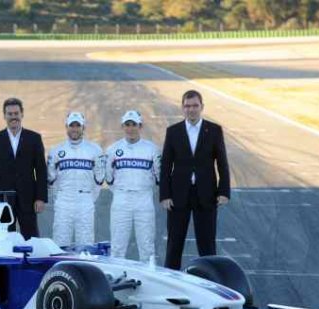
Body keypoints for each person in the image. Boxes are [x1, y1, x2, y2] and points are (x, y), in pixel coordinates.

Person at [160, 90, 230, 270]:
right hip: (178, 195)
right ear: (182, 108)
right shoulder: (173, 131)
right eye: (187, 106)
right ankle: (171, 280)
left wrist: (224, 191)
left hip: (206, 194)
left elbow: (222, 162)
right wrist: (165, 195)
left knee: (207, 245)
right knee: (174, 243)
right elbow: (166, 165)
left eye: (195, 106)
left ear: (202, 107)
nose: (191, 110)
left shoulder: (214, 130)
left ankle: (211, 282)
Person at [0, 97, 47, 240]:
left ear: (22, 114)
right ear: (4, 116)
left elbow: (41, 170)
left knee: (31, 238)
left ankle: (31, 261)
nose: (13, 117)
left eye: (16, 113)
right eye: (10, 114)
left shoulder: (34, 138)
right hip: (3, 198)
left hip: (28, 198)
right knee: (3, 237)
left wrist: (40, 198)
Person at [105, 110, 161, 261]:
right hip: (121, 199)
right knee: (117, 246)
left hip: (144, 199)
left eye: (134, 124)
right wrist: (121, 192)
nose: (130, 128)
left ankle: (149, 281)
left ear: (140, 126)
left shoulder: (152, 149)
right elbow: (109, 178)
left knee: (147, 246)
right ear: (123, 126)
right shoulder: (112, 150)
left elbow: (158, 177)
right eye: (127, 125)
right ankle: (117, 279)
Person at [47, 112, 104, 247]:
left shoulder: (95, 150)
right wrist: (61, 197)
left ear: (83, 127)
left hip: (85, 201)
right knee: (60, 243)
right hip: (63, 201)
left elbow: (99, 180)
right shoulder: (56, 150)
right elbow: (50, 180)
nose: (74, 129)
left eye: (78, 125)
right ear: (67, 127)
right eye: (71, 125)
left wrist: (88, 198)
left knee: (85, 245)